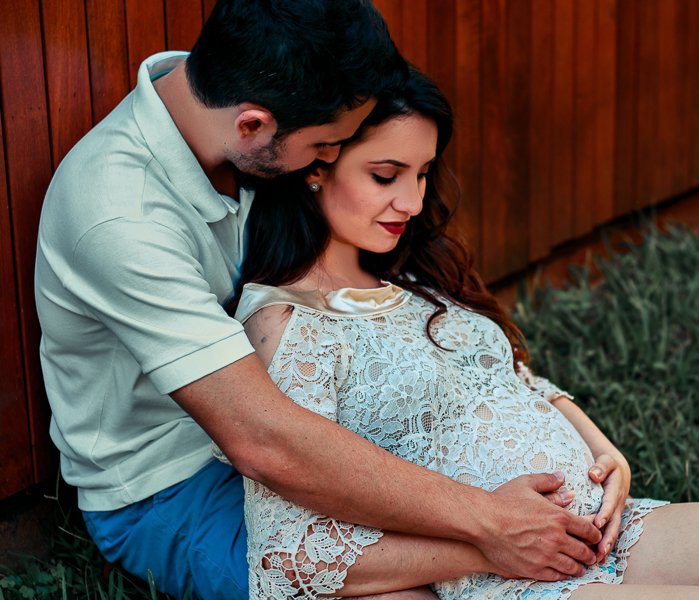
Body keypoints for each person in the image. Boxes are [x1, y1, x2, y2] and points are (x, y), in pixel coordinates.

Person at [228, 67, 699, 599]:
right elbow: (290, 555)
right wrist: (490, 545)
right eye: (385, 176)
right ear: (317, 165)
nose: (411, 202)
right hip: (507, 581)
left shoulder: (410, 280)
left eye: (424, 173)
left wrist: (604, 449)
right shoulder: (288, 325)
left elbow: (512, 380)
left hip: (608, 530)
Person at [34, 2, 608, 599]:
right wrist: (491, 525)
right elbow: (261, 441)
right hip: (177, 481)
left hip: (306, 421)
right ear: (253, 126)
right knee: (411, 588)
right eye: (325, 145)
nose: (329, 162)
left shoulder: (238, 96)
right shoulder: (119, 217)